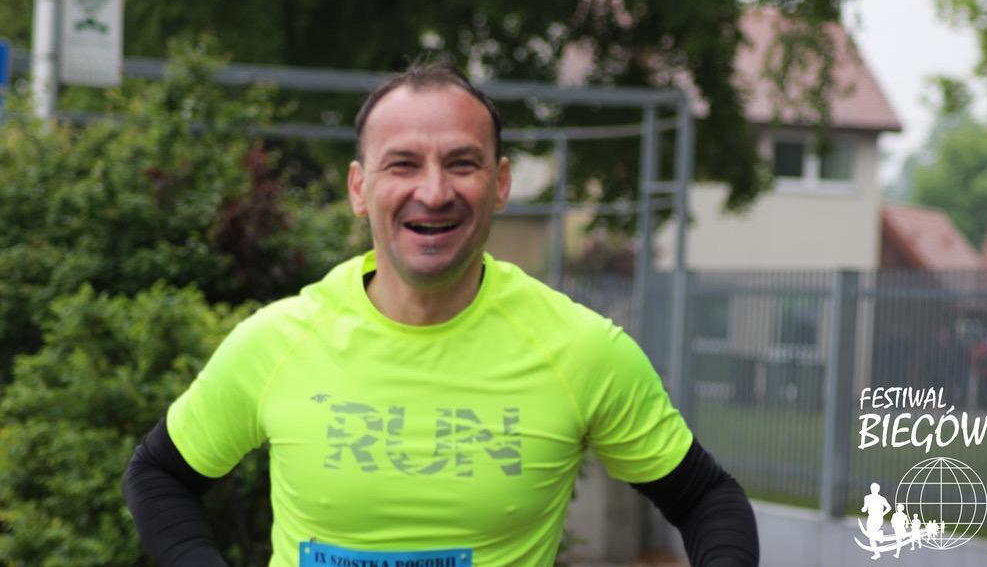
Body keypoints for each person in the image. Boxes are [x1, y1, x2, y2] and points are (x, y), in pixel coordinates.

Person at [122, 63, 759, 566]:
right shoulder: (278, 340)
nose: (433, 192)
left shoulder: (579, 348)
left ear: (500, 183)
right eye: (402, 164)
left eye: (462, 163)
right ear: (359, 188)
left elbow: (707, 499)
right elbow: (158, 476)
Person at [861, 482, 891, 559]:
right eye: (873, 488)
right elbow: (865, 508)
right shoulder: (867, 498)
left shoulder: (881, 499)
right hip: (870, 517)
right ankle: (879, 536)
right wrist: (863, 509)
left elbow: (889, 507)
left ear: (878, 490)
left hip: (878, 518)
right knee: (870, 537)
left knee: (871, 537)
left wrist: (882, 514)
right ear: (871, 489)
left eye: (875, 489)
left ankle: (879, 537)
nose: (874, 490)